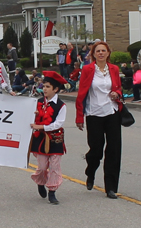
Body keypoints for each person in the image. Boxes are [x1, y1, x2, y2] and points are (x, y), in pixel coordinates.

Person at [75, 41, 123, 199]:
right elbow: (81, 93)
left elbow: (118, 87)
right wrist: (79, 116)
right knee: (96, 149)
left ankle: (111, 187)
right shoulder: (88, 69)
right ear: (93, 54)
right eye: (98, 51)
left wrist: (117, 93)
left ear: (108, 53)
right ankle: (91, 171)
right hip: (94, 113)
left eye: (104, 50)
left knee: (114, 150)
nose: (101, 53)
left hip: (112, 112)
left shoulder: (114, 69)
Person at [30, 71, 68, 205]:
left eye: (47, 87)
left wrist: (41, 127)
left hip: (54, 138)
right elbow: (30, 120)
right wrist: (34, 116)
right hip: (40, 139)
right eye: (43, 86)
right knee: (41, 166)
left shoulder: (61, 105)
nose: (44, 89)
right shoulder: (38, 102)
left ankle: (52, 191)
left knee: (54, 166)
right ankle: (40, 182)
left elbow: (58, 123)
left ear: (56, 89)